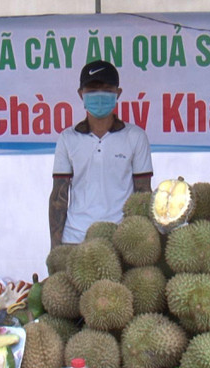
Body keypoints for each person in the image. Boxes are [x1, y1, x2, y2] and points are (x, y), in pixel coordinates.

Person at [49, 60, 153, 248]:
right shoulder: (67, 138)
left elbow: (143, 194)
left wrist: (142, 241)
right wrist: (55, 248)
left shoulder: (136, 136)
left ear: (118, 93)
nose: (99, 95)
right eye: (92, 89)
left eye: (106, 88)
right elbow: (58, 196)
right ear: (81, 94)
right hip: (75, 239)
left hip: (121, 238)